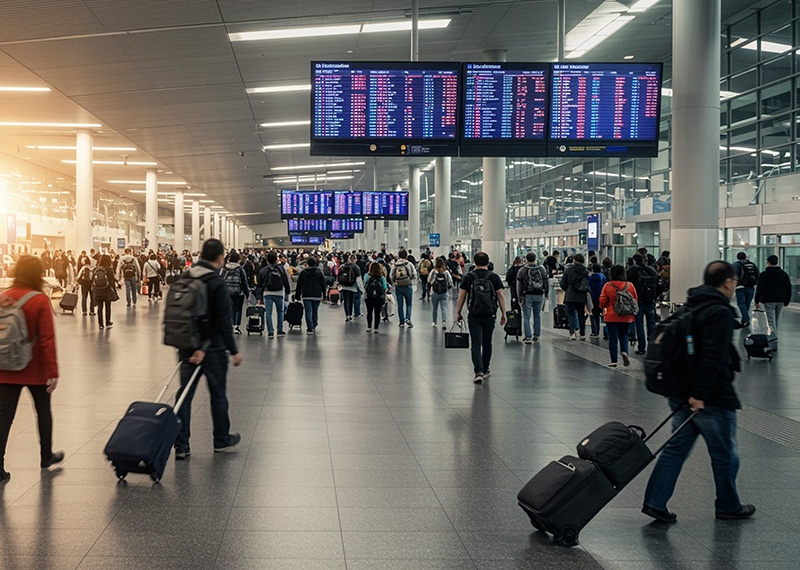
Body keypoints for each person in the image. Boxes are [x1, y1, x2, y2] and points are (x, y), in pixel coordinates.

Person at [642, 260, 755, 522]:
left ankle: (655, 502)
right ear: (727, 282)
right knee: (725, 453)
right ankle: (728, 505)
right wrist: (700, 395)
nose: (735, 287)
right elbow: (711, 359)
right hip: (709, 397)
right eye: (734, 282)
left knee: (675, 450)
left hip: (680, 392)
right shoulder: (719, 312)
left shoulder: (692, 303)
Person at [174, 239, 242, 460]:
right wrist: (233, 350)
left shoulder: (186, 276)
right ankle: (221, 439)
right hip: (212, 348)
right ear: (220, 257)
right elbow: (223, 320)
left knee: (185, 395)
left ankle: (181, 445)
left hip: (186, 346)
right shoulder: (216, 282)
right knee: (218, 394)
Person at [0, 256, 64, 482]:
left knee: (4, 418)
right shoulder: (39, 299)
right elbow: (47, 339)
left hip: (6, 367)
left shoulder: (4, 297)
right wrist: (53, 372)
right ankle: (46, 456)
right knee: (43, 412)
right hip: (35, 369)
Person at [456, 252, 507, 384]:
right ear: (487, 262)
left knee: (476, 343)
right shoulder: (494, 277)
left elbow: (461, 296)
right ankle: (486, 369)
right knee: (487, 342)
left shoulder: (468, 277)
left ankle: (478, 371)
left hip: (474, 314)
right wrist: (504, 313)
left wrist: (458, 312)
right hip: (490, 314)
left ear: (474, 262)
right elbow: (500, 295)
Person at [599, 265, 637, 368]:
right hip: (626, 316)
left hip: (611, 315)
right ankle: (624, 352)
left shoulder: (608, 285)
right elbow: (634, 300)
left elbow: (602, 301)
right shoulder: (630, 285)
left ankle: (614, 361)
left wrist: (602, 307)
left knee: (613, 338)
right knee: (624, 335)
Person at [754, 255, 792, 351]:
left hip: (768, 300)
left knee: (771, 321)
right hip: (780, 300)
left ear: (768, 262)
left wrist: (757, 300)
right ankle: (774, 337)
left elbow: (759, 289)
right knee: (776, 319)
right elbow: (788, 288)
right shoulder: (784, 274)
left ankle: (773, 340)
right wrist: (786, 300)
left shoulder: (764, 275)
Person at [627, 253, 661, 354]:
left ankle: (641, 348)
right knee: (651, 324)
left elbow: (628, 284)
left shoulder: (631, 270)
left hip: (637, 300)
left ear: (634, 260)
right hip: (650, 300)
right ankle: (652, 347)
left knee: (639, 325)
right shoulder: (651, 269)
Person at [516, 252, 548, 344]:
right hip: (539, 294)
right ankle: (536, 336)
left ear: (526, 259)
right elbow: (545, 281)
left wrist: (520, 297)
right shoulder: (541, 269)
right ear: (535, 258)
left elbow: (519, 285)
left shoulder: (522, 270)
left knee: (526, 316)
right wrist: (546, 293)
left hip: (527, 295)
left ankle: (528, 337)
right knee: (537, 315)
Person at [258, 252, 290, 338]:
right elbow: (285, 280)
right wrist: (287, 291)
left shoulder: (263, 270)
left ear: (267, 260)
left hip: (267, 293)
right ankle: (279, 330)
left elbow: (260, 285)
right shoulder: (281, 269)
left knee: (268, 312)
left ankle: (270, 331)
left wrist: (259, 297)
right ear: (276, 259)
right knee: (280, 312)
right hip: (279, 292)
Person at [560, 253, 589, 340]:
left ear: (574, 260)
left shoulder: (568, 270)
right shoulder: (585, 271)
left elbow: (562, 284)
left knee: (571, 315)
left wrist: (568, 289)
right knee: (581, 315)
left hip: (570, 295)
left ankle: (572, 333)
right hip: (581, 295)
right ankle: (582, 334)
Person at [295, 256, 326, 335]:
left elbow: (299, 285)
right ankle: (314, 324)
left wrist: (297, 296)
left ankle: (309, 328)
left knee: (308, 311)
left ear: (307, 264)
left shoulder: (303, 273)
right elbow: (323, 284)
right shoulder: (319, 272)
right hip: (316, 295)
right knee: (315, 311)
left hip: (306, 295)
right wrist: (324, 295)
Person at [221, 252, 250, 334]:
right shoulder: (240, 269)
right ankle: (236, 326)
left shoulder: (225, 268)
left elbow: (220, 280)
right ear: (238, 260)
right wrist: (247, 294)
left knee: (229, 309)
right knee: (238, 309)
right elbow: (244, 282)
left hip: (227, 292)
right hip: (238, 292)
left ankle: (229, 325)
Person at [391, 249, 417, 328]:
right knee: (409, 304)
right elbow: (414, 274)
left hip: (398, 286)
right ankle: (408, 318)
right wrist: (412, 282)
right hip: (408, 285)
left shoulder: (395, 265)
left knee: (400, 305)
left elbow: (391, 275)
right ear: (406, 255)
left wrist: (394, 282)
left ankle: (401, 322)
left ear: (399, 255)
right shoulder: (409, 264)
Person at [732, 252, 759, 327]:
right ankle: (745, 320)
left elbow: (734, 275)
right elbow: (757, 275)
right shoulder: (752, 265)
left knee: (741, 304)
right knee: (747, 304)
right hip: (751, 288)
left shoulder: (736, 265)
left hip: (740, 288)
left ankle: (746, 319)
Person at [92, 254, 117, 330]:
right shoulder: (108, 269)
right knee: (107, 306)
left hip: (98, 290)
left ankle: (100, 324)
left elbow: (92, 279)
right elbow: (112, 279)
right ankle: (107, 321)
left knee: (100, 307)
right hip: (107, 289)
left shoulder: (96, 269)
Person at [428, 256, 454, 328]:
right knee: (444, 308)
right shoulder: (446, 272)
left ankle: (434, 322)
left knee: (435, 308)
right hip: (444, 292)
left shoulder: (434, 271)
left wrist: (432, 283)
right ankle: (444, 322)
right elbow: (450, 281)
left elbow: (429, 279)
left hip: (435, 292)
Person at [364, 262, 388, 334]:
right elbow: (385, 287)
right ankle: (376, 328)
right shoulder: (382, 277)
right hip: (379, 297)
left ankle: (369, 327)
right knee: (377, 313)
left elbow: (365, 286)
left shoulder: (367, 276)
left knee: (369, 312)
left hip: (369, 297)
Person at [338, 255, 361, 322]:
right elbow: (358, 277)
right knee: (351, 301)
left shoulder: (342, 266)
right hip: (352, 286)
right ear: (355, 259)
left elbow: (339, 275)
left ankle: (347, 315)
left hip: (344, 286)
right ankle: (351, 314)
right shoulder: (356, 267)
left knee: (346, 301)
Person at [588, 263, 607, 337]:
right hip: (603, 297)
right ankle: (606, 333)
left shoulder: (592, 277)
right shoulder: (603, 276)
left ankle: (595, 331)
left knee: (595, 315)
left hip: (594, 298)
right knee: (604, 315)